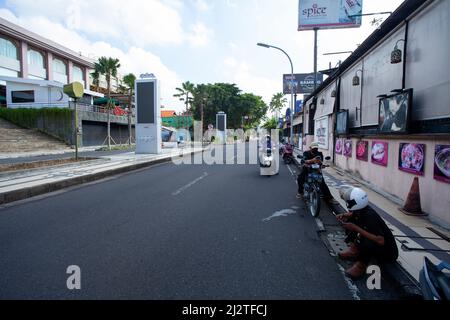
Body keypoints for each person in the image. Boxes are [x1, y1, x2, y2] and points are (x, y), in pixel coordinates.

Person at [336, 187, 399, 278]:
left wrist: (355, 228)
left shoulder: (369, 216)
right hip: (381, 245)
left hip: (388, 252)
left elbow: (380, 240)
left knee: (368, 242)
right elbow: (352, 215)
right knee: (352, 221)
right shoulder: (362, 210)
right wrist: (344, 215)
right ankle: (354, 250)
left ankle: (361, 265)